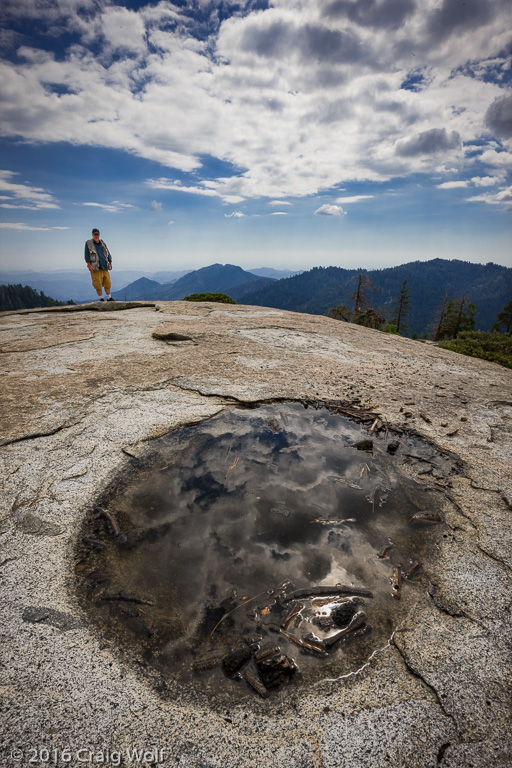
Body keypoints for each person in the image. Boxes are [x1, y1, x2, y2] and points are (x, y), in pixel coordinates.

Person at [84, 228, 115, 301]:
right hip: (95, 268)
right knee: (98, 284)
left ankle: (109, 298)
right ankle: (101, 299)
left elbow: (108, 253)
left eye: (97, 234)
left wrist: (110, 262)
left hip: (105, 266)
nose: (96, 236)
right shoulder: (88, 243)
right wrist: (89, 265)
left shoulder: (102, 243)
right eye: (94, 234)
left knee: (107, 283)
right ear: (92, 235)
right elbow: (86, 255)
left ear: (99, 235)